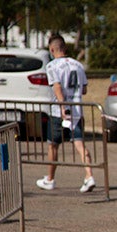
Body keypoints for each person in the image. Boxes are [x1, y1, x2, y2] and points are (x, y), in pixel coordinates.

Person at [36, 34, 96, 193]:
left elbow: (57, 87)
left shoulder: (51, 66)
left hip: (59, 112)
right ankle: (89, 176)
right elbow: (83, 89)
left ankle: (50, 179)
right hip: (77, 111)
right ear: (65, 48)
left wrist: (63, 106)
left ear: (52, 49)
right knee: (80, 144)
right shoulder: (78, 65)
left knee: (53, 146)